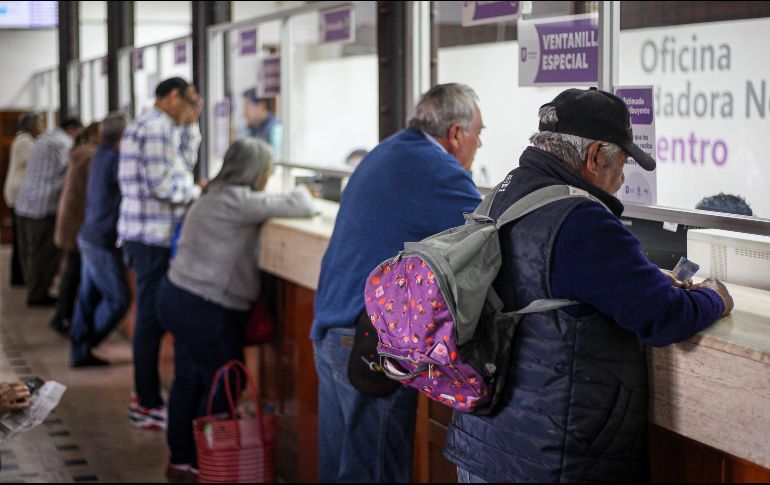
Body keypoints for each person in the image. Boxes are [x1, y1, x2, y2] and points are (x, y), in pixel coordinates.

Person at [443, 88, 734, 483]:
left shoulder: (504, 193)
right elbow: (666, 316)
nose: (623, 177)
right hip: (549, 457)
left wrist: (639, 278)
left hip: (483, 441)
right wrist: (713, 297)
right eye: (623, 163)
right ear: (596, 156)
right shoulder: (582, 219)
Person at [311, 83, 484, 482]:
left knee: (341, 466)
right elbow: (489, 241)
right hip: (368, 342)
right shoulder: (439, 170)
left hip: (332, 329)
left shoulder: (388, 150)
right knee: (374, 472)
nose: (479, 145)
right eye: (479, 133)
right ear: (456, 134)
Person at [157, 138, 314, 483]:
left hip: (176, 296)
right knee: (228, 376)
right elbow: (300, 202)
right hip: (204, 306)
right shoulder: (237, 200)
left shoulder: (213, 195)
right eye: (268, 168)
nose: (271, 174)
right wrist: (304, 188)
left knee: (191, 379)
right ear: (254, 170)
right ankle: (209, 459)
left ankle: (182, 460)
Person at [118, 77, 203, 430]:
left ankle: (147, 398)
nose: (191, 108)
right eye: (190, 102)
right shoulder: (155, 128)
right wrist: (199, 191)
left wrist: (192, 126)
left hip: (149, 237)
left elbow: (182, 164)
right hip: (152, 240)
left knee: (150, 321)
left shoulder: (160, 125)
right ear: (171, 96)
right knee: (150, 324)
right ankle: (146, 403)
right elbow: (165, 185)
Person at [69, 113, 130, 368]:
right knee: (118, 299)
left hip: (89, 234)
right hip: (101, 239)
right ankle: (85, 343)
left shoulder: (100, 155)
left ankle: (80, 348)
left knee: (88, 296)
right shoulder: (115, 160)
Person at [14, 117, 83, 307]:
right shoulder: (62, 143)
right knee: (43, 254)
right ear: (72, 130)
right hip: (43, 206)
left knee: (32, 252)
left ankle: (34, 289)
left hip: (28, 203)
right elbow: (70, 171)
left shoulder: (46, 139)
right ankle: (37, 295)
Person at [50, 122, 101, 336]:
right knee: (74, 274)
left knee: (72, 272)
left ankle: (62, 316)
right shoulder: (91, 156)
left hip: (70, 219)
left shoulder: (80, 151)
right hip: (77, 222)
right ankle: (65, 317)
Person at [3, 112, 44, 287]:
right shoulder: (25, 141)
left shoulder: (24, 139)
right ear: (30, 126)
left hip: (18, 193)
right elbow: (40, 158)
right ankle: (19, 277)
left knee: (20, 239)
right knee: (21, 239)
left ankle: (19, 276)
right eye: (41, 123)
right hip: (18, 194)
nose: (42, 127)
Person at [242, 88, 282, 158]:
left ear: (261, 106)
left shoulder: (275, 129)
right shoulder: (254, 128)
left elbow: (275, 161)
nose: (244, 112)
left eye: (247, 106)